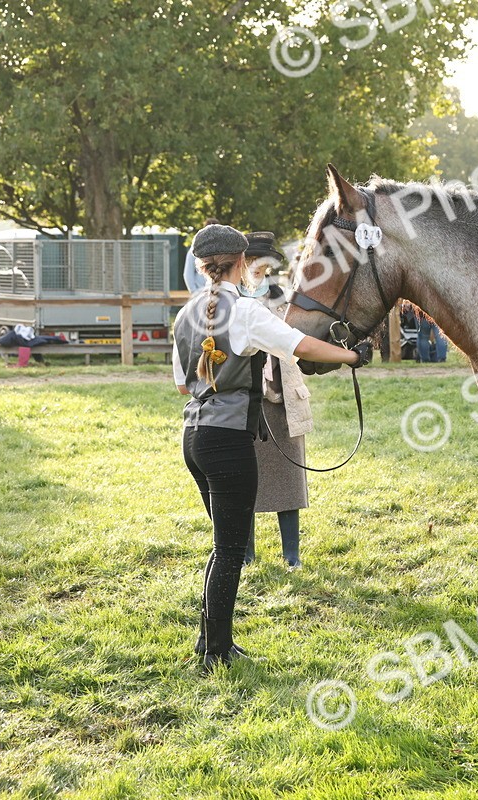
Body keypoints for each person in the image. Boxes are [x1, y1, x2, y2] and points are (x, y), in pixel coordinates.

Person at [172, 224, 371, 671]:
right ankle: (216, 651)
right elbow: (299, 345)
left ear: (204, 267)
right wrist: (352, 356)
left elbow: (184, 384)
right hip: (227, 444)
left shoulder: (186, 314)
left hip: (195, 438)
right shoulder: (244, 310)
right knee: (229, 548)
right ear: (241, 263)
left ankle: (212, 642)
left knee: (223, 545)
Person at [238, 232, 311, 569]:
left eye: (266, 263)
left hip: (282, 401)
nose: (260, 269)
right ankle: (246, 554)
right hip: (244, 402)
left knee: (289, 479)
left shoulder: (285, 299)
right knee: (242, 483)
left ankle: (291, 556)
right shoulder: (229, 301)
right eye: (254, 262)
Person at [183, 217, 221, 294]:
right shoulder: (194, 250)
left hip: (218, 293)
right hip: (200, 294)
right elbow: (188, 274)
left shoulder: (223, 250)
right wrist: (194, 292)